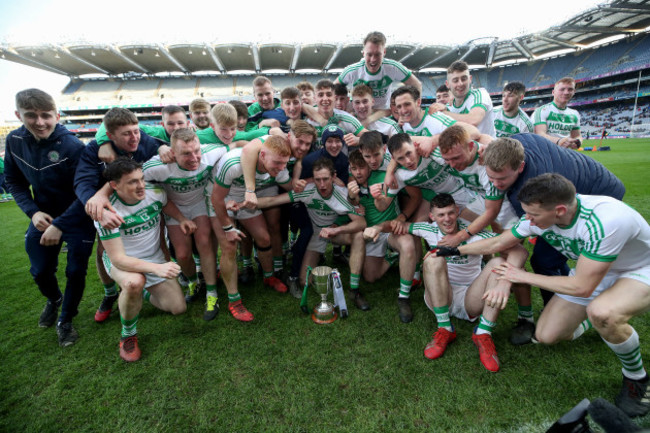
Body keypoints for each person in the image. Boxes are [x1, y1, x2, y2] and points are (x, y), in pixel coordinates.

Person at [436, 173, 650, 417]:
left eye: (533, 215)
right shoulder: (539, 215)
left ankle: (637, 380)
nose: (527, 219)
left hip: (638, 270)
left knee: (604, 312)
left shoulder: (607, 220)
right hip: (593, 270)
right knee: (546, 335)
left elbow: (582, 287)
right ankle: (596, 320)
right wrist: (454, 250)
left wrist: (521, 276)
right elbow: (499, 243)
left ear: (559, 210)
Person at [481, 134, 626, 306]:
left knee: (544, 260)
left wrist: (507, 278)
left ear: (520, 167)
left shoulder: (529, 189)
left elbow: (527, 229)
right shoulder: (514, 143)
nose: (496, 184)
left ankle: (563, 305)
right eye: (491, 178)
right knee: (552, 255)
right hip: (590, 179)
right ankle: (569, 295)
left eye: (502, 178)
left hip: (600, 192)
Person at [5, 88, 95, 347]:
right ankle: (55, 299)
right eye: (31, 115)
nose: (40, 122)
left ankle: (65, 320)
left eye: (46, 115)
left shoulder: (72, 146)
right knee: (40, 270)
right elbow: (13, 181)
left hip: (77, 218)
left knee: (76, 271)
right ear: (18, 115)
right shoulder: (14, 141)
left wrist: (60, 224)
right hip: (42, 217)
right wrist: (33, 213)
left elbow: (85, 192)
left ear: (57, 115)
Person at [75, 107, 170, 323]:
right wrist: (96, 199)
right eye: (126, 134)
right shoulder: (93, 150)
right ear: (109, 136)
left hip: (142, 196)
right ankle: (110, 293)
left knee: (155, 231)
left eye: (136, 131)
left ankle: (146, 287)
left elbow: (165, 137)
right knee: (104, 248)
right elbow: (82, 180)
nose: (134, 137)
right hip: (110, 203)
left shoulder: (144, 139)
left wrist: (164, 146)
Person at [413, 194, 527, 372]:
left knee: (497, 264)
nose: (447, 219)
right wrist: (377, 227)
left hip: (470, 298)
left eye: (451, 213)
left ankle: (483, 333)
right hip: (441, 296)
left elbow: (520, 251)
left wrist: (505, 282)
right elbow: (397, 227)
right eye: (441, 215)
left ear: (457, 211)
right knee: (433, 259)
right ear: (432, 216)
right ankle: (444, 328)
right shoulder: (427, 228)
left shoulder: (476, 234)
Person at [97, 158, 186, 362]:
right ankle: (128, 334)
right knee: (133, 282)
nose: (141, 186)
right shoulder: (107, 212)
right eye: (132, 182)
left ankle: (140, 294)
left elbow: (167, 204)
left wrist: (183, 219)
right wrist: (157, 268)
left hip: (153, 259)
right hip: (123, 262)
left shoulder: (154, 193)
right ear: (114, 185)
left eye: (142, 179)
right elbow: (118, 259)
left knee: (178, 308)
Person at [251, 157, 370, 310]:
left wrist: (336, 229)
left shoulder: (342, 194)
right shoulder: (307, 190)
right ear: (312, 179)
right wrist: (242, 203)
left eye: (326, 179)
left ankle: (354, 289)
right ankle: (318, 261)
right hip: (316, 234)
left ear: (334, 177)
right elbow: (272, 201)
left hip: (335, 233)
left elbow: (361, 223)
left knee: (358, 236)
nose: (321, 184)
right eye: (317, 179)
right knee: (304, 280)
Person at [142, 128, 228, 321]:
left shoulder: (211, 152)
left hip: (200, 205)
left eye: (196, 150)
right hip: (174, 208)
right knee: (181, 254)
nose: (194, 158)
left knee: (204, 243)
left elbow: (231, 146)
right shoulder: (156, 167)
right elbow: (135, 179)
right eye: (186, 153)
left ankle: (212, 294)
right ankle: (192, 281)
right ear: (172, 153)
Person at [211, 135, 291, 321]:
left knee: (264, 238)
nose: (280, 168)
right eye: (277, 163)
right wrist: (227, 226)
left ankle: (268, 276)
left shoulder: (279, 168)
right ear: (262, 155)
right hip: (221, 199)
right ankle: (234, 299)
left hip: (245, 200)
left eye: (284, 164)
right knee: (229, 246)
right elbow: (216, 198)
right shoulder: (234, 163)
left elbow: (291, 186)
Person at [348, 149, 416, 322]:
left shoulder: (384, 178)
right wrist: (352, 198)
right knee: (370, 277)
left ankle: (404, 297)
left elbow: (413, 195)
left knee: (407, 244)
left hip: (391, 229)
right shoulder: (351, 185)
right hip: (372, 234)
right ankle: (392, 256)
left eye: (361, 168)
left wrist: (402, 217)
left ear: (369, 168)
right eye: (354, 168)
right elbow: (350, 209)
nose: (358, 172)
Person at [337, 31, 422, 118]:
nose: (373, 59)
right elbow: (334, 88)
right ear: (363, 53)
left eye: (377, 54)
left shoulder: (393, 67)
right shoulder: (352, 71)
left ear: (384, 52)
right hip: (360, 115)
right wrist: (342, 106)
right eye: (369, 54)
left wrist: (416, 108)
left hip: (384, 114)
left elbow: (416, 84)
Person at [429, 60, 496, 137]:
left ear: (470, 79)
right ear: (447, 84)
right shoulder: (449, 107)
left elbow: (473, 120)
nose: (460, 83)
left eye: (464, 79)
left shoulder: (480, 94)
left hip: (488, 147)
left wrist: (443, 114)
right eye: (455, 80)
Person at [306, 79, 368, 149]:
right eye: (320, 95)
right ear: (315, 99)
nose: (325, 98)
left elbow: (372, 137)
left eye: (329, 95)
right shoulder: (307, 118)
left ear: (334, 98)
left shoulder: (346, 118)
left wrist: (358, 140)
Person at [533, 77, 582, 148]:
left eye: (570, 89)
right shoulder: (542, 110)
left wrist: (577, 142)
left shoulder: (575, 113)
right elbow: (539, 134)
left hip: (565, 154)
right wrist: (559, 141)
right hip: (546, 153)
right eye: (562, 89)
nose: (566, 92)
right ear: (553, 92)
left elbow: (577, 135)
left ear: (574, 92)